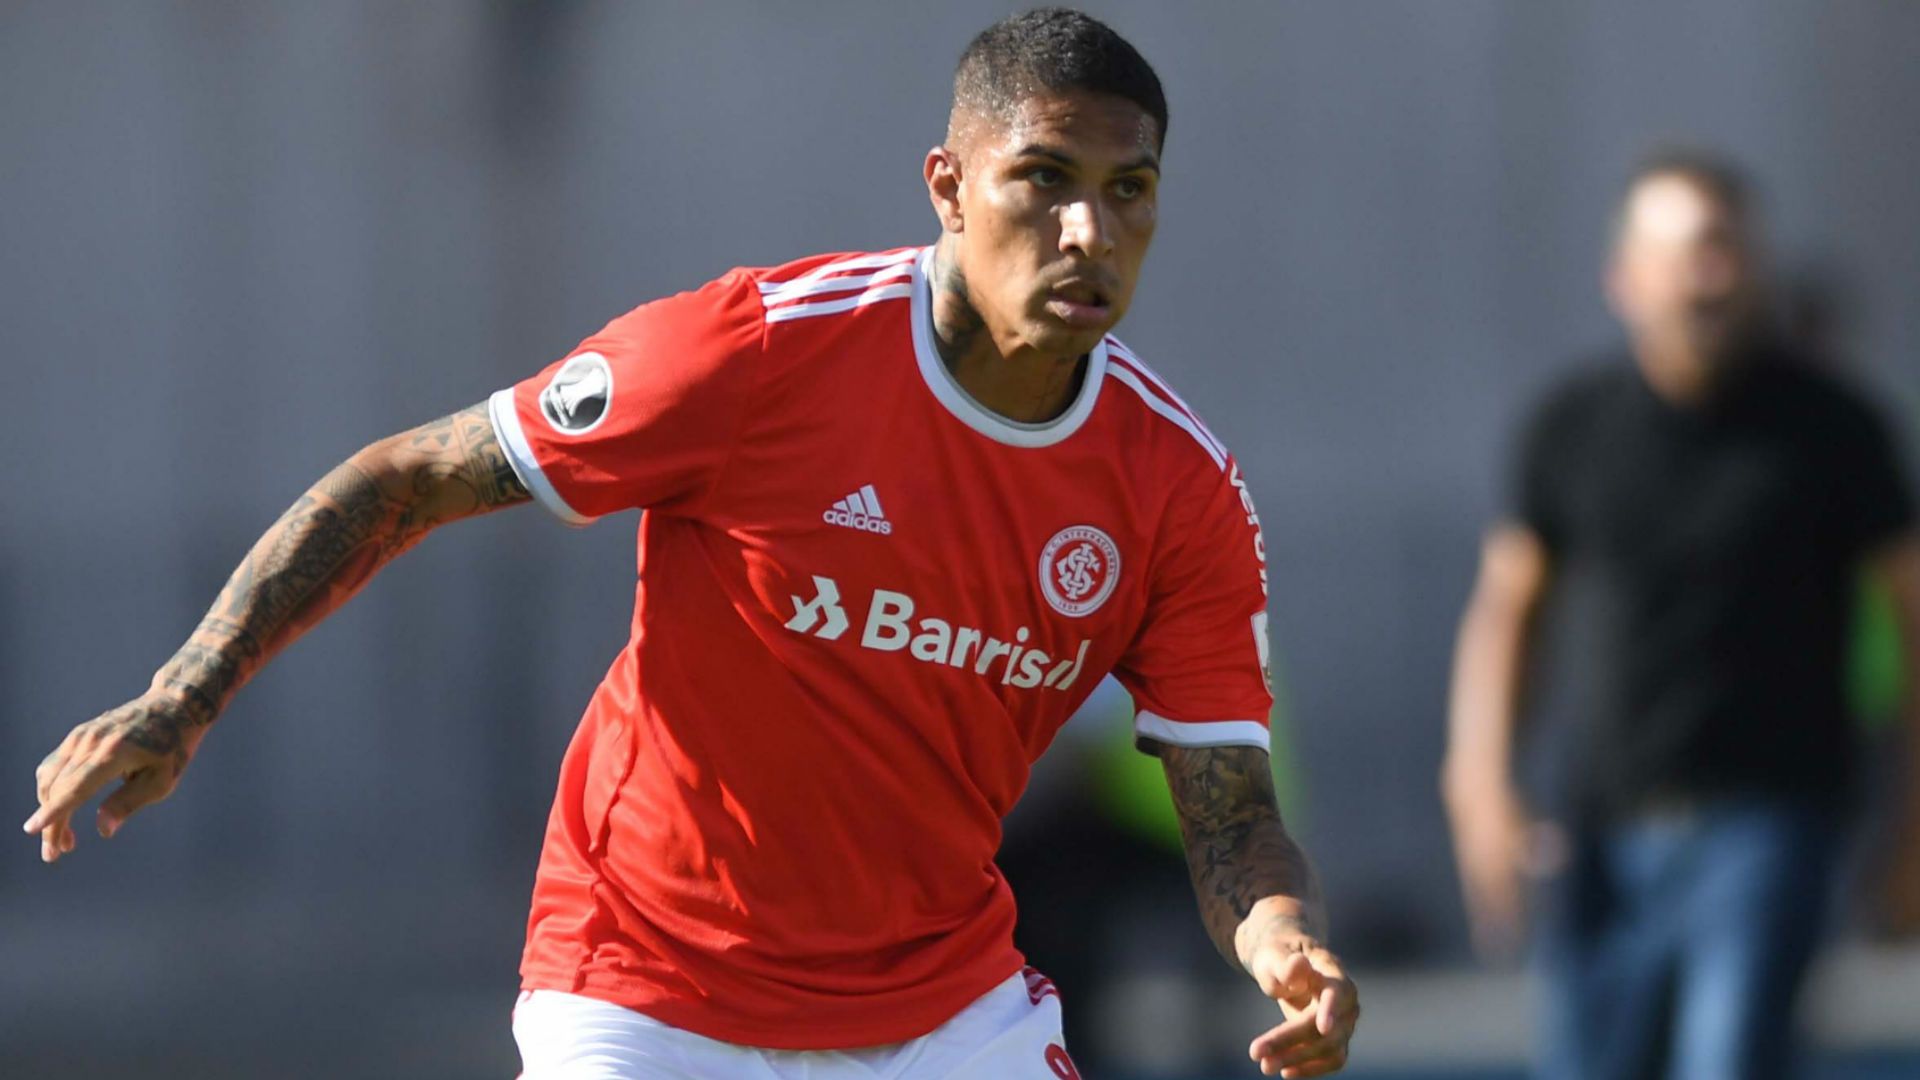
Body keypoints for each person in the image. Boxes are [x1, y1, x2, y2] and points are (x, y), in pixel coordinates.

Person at [24, 10, 1358, 1078]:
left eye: (1130, 191)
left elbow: (1230, 813)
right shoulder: (755, 354)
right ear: (949, 187)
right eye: (1045, 182)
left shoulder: (1177, 488)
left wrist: (1283, 938)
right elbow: (409, 478)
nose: (1089, 234)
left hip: (942, 1009)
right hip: (643, 983)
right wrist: (186, 691)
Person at [1443, 149, 1920, 1080]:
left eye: (1728, 250)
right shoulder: (1573, 426)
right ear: (1625, 277)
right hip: (1605, 829)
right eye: (1686, 252)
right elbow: (1508, 610)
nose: (1710, 277)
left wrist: (1912, 830)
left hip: (1772, 823)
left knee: (1726, 1062)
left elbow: (1913, 622)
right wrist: (1482, 788)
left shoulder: (1834, 429)